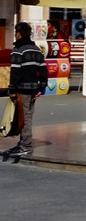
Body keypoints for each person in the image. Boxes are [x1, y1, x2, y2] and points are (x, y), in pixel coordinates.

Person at [5, 22, 47, 157]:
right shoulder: (36, 50)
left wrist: (12, 90)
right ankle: (23, 142)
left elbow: (15, 72)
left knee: (24, 117)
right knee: (27, 116)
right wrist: (41, 87)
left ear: (18, 33)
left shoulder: (18, 49)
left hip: (22, 90)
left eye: (15, 32)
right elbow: (43, 70)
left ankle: (25, 146)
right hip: (34, 89)